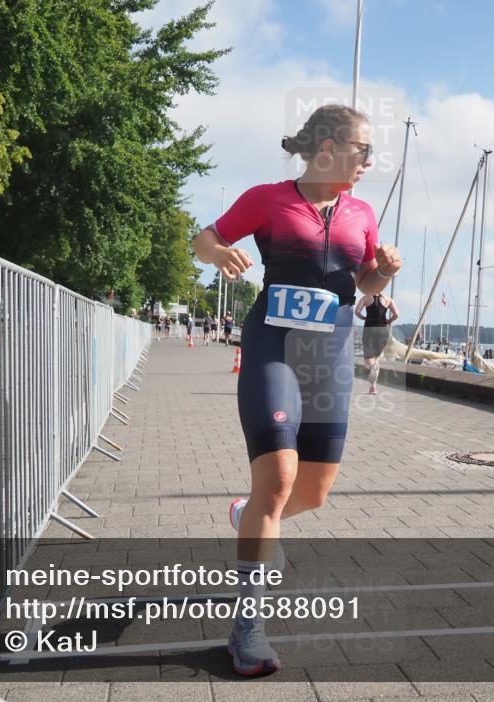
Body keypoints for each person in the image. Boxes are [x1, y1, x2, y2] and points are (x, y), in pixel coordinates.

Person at [193, 104, 402, 676]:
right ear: (329, 147)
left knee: (309, 493)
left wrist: (384, 271)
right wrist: (219, 253)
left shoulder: (362, 211)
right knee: (279, 477)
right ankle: (247, 630)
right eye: (365, 150)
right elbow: (203, 238)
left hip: (330, 357)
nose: (369, 161)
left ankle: (248, 513)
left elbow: (363, 282)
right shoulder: (268, 199)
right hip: (273, 348)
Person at [354, 292, 398, 394]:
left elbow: (357, 311)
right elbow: (396, 314)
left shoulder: (366, 297)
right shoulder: (388, 299)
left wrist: (364, 318)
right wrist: (389, 320)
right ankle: (373, 387)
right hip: (382, 331)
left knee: (368, 361)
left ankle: (373, 382)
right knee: (376, 360)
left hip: (369, 330)